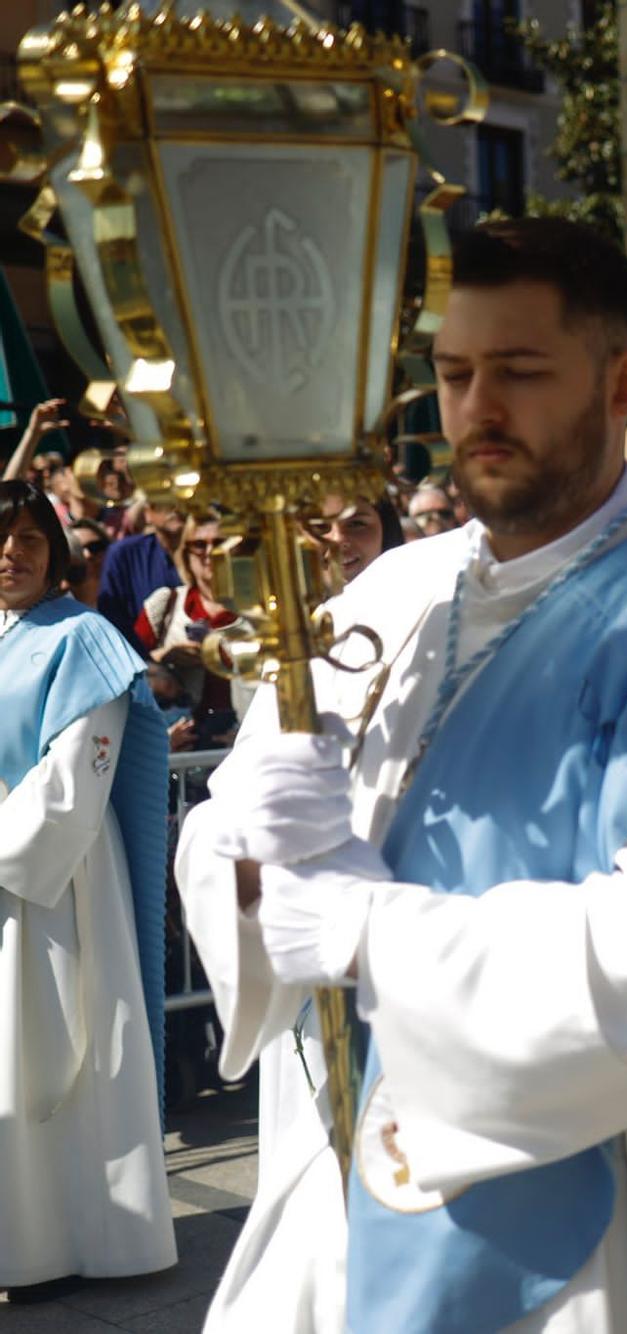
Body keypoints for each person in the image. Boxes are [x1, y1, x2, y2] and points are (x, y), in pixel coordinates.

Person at [172, 218, 627, 1331]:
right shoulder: (379, 601)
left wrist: (372, 933)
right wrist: (245, 862)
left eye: (520, 371)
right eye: (454, 374)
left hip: (617, 1222)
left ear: (623, 382)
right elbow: (236, 853)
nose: (477, 410)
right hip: (355, 1171)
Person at [0, 480, 175, 1297]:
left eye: (31, 538)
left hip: (55, 878)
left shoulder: (85, 640)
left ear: (57, 551)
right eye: (2, 538)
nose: (13, 552)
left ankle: (79, 1239)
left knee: (57, 1056)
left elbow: (72, 784)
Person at [137, 513, 248, 751]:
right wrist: (163, 658)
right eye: (199, 544)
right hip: (180, 754)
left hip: (246, 748)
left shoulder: (260, 611)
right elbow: (130, 676)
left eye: (220, 543)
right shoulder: (164, 605)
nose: (210, 553)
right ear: (185, 552)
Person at [97, 491, 187, 651]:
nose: (175, 509)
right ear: (147, 513)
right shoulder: (124, 554)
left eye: (184, 501)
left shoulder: (209, 552)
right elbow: (112, 623)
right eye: (163, 503)